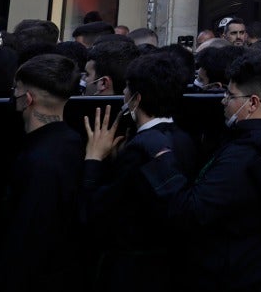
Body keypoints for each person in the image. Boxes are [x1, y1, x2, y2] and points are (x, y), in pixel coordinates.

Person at [141, 52, 261, 291]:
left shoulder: (244, 154)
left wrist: (162, 160)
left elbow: (193, 211)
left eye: (230, 95)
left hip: (239, 271)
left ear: (253, 103)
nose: (223, 101)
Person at [80, 49, 198, 290]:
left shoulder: (140, 151)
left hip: (136, 270)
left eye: (126, 90)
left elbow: (98, 214)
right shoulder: (185, 139)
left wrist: (93, 160)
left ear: (137, 98)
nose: (123, 95)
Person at [0, 54, 84, 285]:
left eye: (15, 89)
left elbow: (24, 240)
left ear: (27, 98)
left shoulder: (37, 160)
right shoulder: (77, 143)